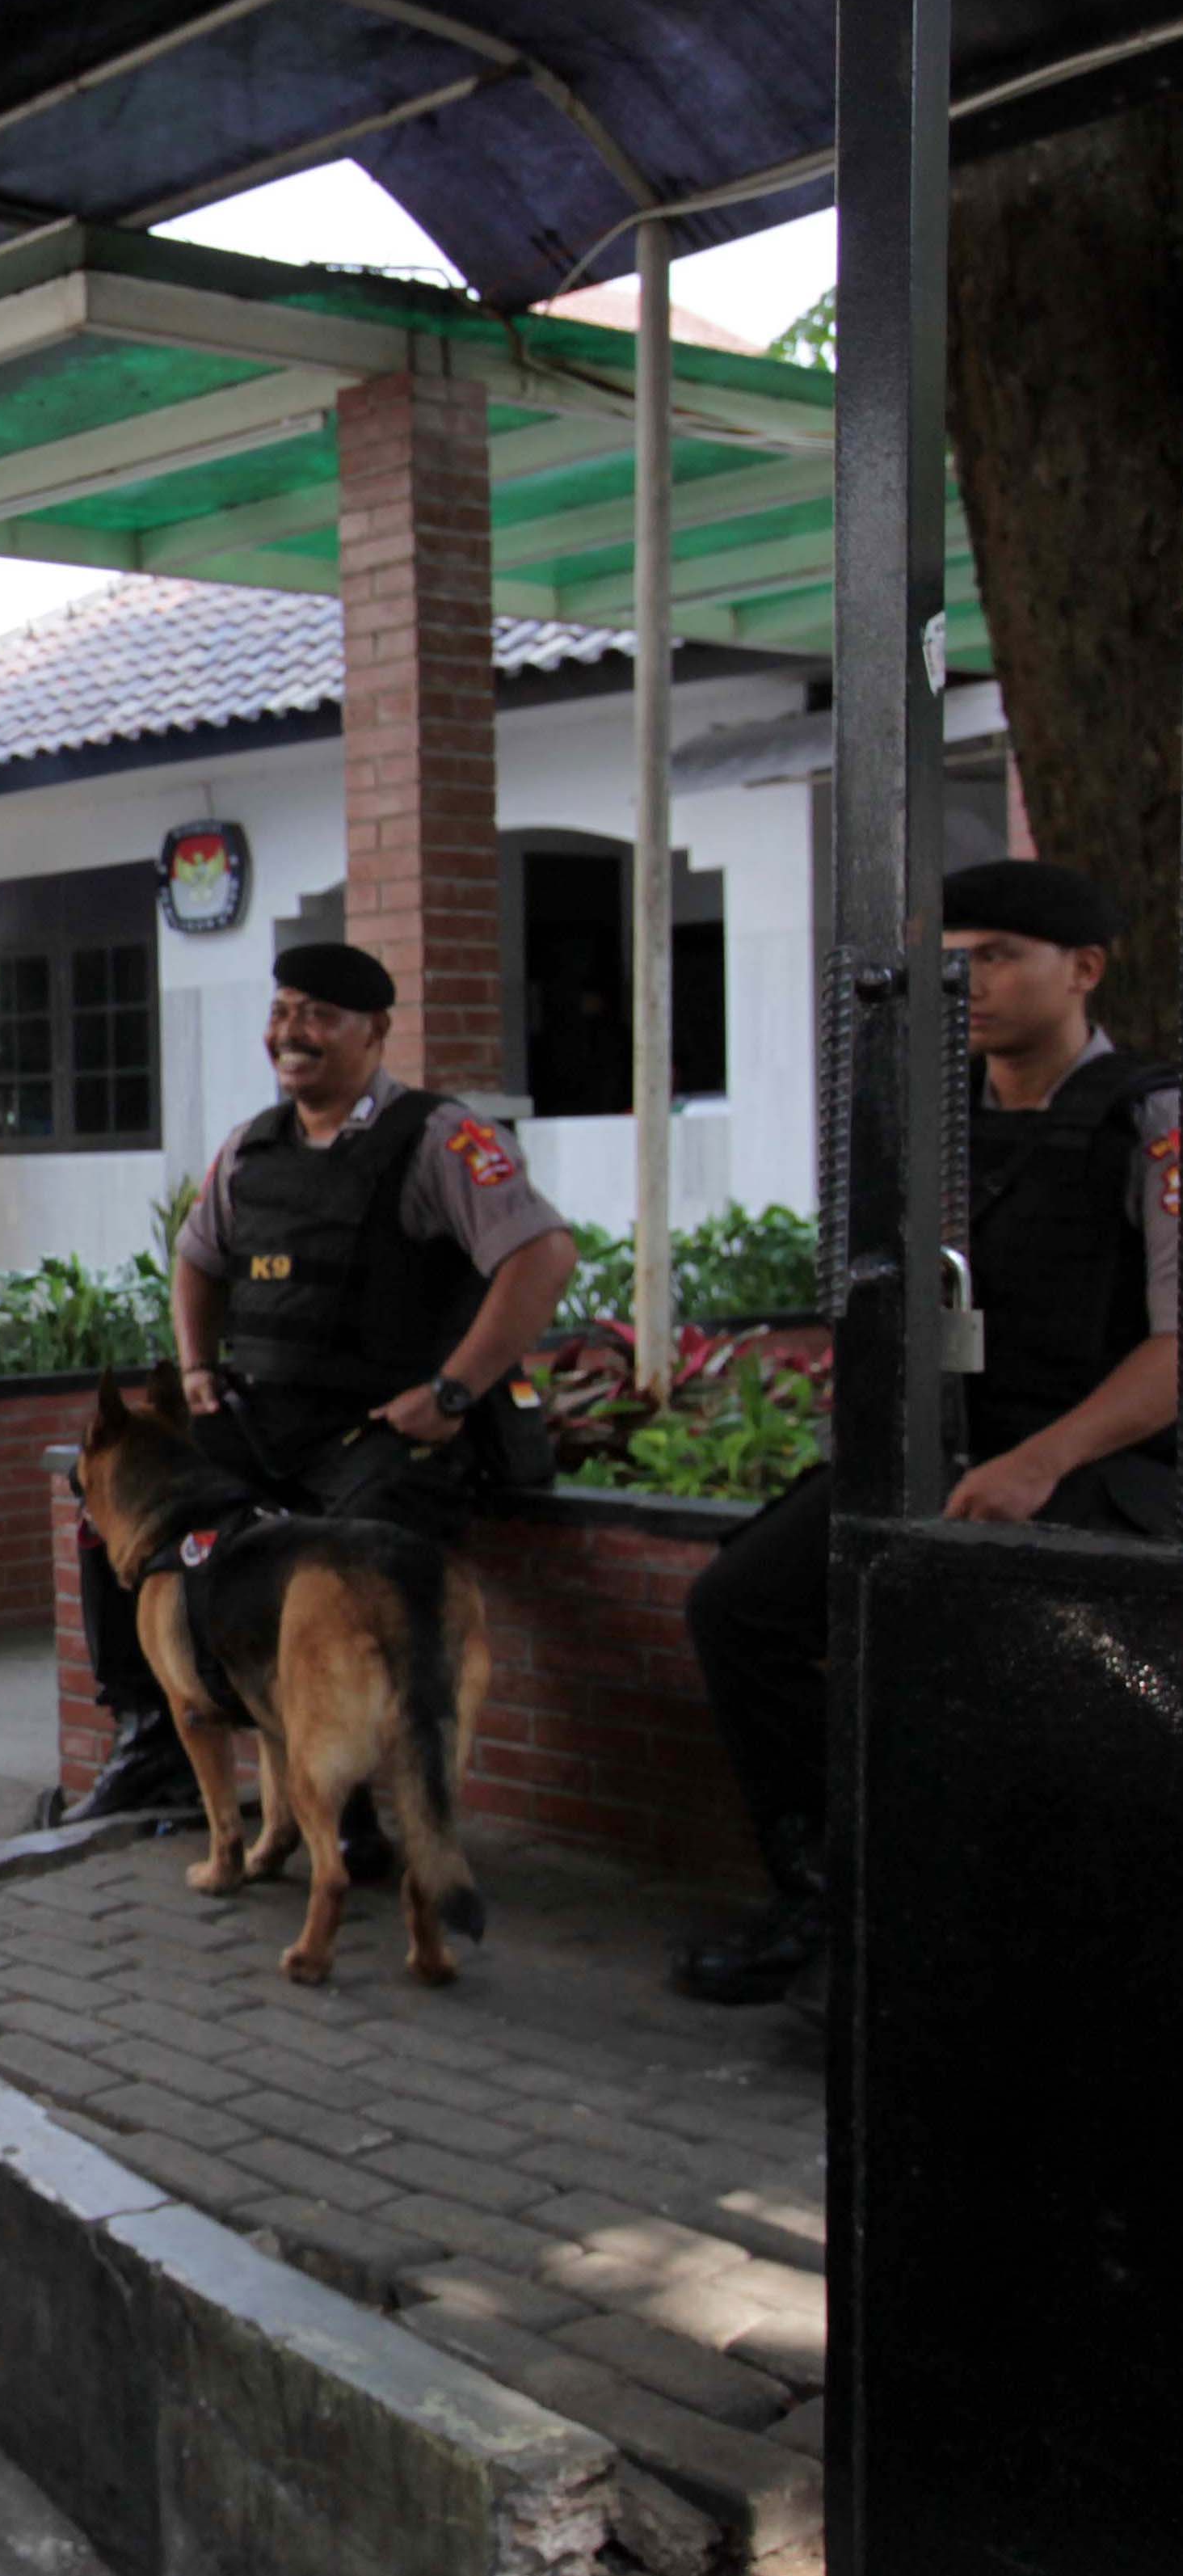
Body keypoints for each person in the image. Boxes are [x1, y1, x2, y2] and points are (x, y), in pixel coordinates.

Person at [671, 859, 1175, 2006]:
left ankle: (997, 1959)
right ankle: (822, 1894)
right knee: (738, 1607)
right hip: (933, 1453)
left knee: (989, 1686)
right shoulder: (926, 1115)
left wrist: (1041, 1459)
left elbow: (1174, 1348)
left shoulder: (1149, 1119)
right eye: (950, 962)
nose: (968, 983)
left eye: (997, 956)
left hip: (1091, 1470)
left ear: (1081, 970)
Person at [65, 940, 579, 1830]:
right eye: (280, 1012)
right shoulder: (252, 1147)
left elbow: (542, 1256)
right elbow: (196, 1260)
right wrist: (194, 1367)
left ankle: (354, 1810)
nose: (290, 1034)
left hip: (384, 1432)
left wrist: (453, 1392)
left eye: (317, 1016)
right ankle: (154, 1737)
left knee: (352, 1581)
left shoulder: (441, 1139)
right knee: (115, 1507)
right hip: (263, 1422)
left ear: (374, 1031)